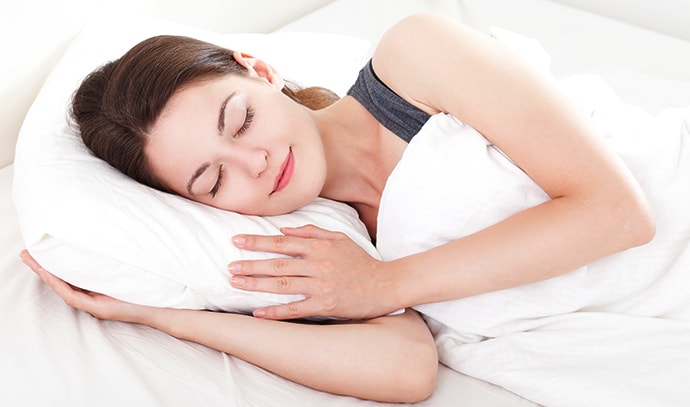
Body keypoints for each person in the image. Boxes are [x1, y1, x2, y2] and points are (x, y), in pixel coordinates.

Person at [22, 12, 655, 402]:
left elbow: (618, 213)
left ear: (260, 70)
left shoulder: (414, 59)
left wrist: (384, 283)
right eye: (213, 182)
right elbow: (405, 369)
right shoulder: (315, 234)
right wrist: (158, 316)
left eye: (240, 120)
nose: (256, 163)